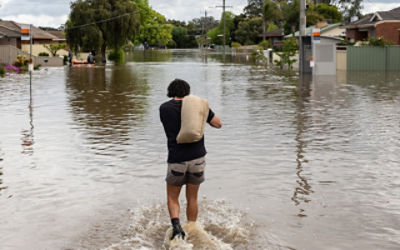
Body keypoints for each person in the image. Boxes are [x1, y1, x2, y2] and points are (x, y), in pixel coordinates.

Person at [159, 79, 222, 240]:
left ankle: (176, 228)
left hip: (176, 160)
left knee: (173, 197)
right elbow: (218, 124)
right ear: (187, 92)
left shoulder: (164, 108)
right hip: (197, 159)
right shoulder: (199, 107)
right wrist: (204, 114)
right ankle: (193, 229)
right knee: (192, 197)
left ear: (170, 91)